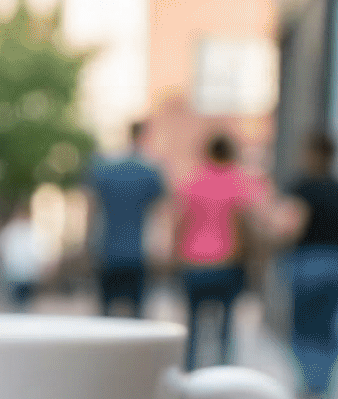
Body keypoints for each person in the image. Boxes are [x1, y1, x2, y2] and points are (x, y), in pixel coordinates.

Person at [279, 130, 338, 399]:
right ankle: (324, 390)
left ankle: (309, 386)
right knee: (330, 330)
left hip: (308, 263)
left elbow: (292, 228)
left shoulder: (300, 188)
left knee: (302, 328)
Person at [174, 132, 261, 372]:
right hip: (227, 263)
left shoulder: (193, 181)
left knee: (193, 327)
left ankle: (190, 377)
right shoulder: (239, 181)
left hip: (194, 263)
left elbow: (179, 223)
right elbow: (242, 223)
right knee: (225, 328)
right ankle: (220, 382)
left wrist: (175, 256)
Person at [87, 120, 165, 318]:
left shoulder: (104, 169)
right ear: (144, 136)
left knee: (105, 314)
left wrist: (87, 244)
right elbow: (160, 214)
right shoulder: (151, 172)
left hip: (107, 250)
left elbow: (92, 209)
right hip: (138, 253)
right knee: (136, 316)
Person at [0, 204, 44, 311]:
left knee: (23, 303)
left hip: (26, 273)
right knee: (17, 303)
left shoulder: (29, 231)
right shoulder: (13, 230)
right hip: (15, 272)